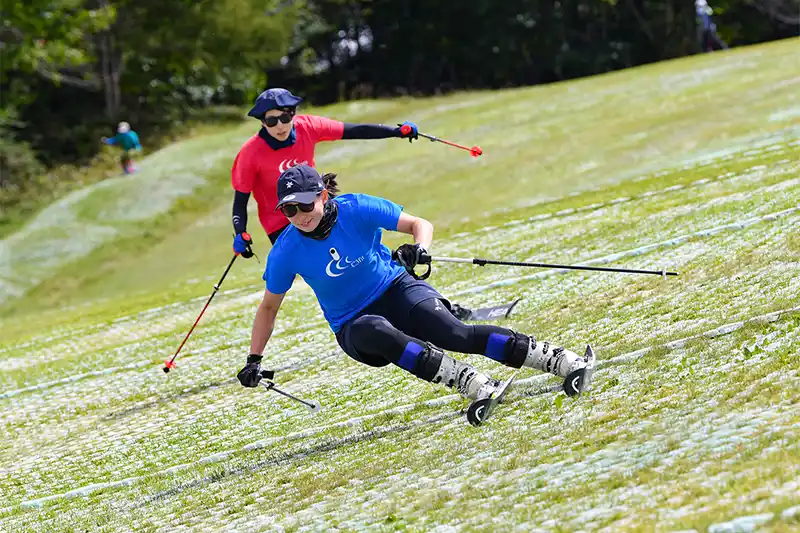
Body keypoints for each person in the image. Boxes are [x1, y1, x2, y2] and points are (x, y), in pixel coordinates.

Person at [236, 164, 594, 406]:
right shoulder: (286, 251)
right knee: (377, 330)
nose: (299, 216)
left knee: (453, 333)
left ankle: (559, 359)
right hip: (353, 325)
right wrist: (254, 359)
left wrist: (419, 250)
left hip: (395, 287)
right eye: (289, 210)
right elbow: (269, 307)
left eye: (304, 204)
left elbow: (419, 224)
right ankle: (468, 382)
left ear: (322, 196)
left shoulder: (357, 208)